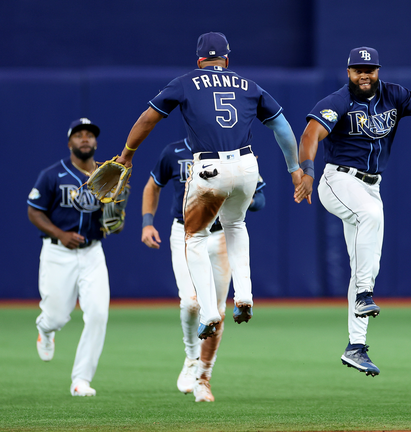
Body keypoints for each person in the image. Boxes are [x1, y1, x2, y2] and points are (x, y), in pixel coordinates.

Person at [113, 31, 302, 396]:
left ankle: (212, 315)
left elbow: (148, 119)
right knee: (238, 223)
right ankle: (244, 295)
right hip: (247, 165)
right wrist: (295, 168)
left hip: (209, 167)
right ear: (227, 59)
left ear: (199, 60)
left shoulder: (185, 82)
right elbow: (280, 125)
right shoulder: (249, 84)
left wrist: (127, 153)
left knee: (194, 236)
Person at [293, 47, 411, 377]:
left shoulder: (394, 95)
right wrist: (307, 170)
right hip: (338, 180)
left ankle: (356, 346)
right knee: (372, 218)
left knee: (363, 258)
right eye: (358, 69)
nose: (365, 74)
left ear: (378, 70)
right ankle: (365, 293)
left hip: (370, 186)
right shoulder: (338, 102)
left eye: (371, 68)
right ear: (348, 72)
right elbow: (311, 134)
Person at [141, 137, 266, 402]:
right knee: (190, 303)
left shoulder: (231, 153)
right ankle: (191, 357)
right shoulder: (173, 150)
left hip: (220, 235)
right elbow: (152, 186)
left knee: (217, 312)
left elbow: (260, 198)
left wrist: (239, 199)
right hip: (185, 232)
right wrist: (147, 222)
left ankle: (203, 378)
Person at [27, 118, 125, 396]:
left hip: (93, 253)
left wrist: (115, 220)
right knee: (57, 317)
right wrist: (60, 232)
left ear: (95, 142)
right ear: (70, 142)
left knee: (98, 314)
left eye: (90, 135)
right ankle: (45, 329)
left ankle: (81, 379)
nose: (85, 139)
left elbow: (114, 221)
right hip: (58, 251)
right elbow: (34, 211)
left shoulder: (106, 175)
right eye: (79, 135)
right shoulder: (52, 174)